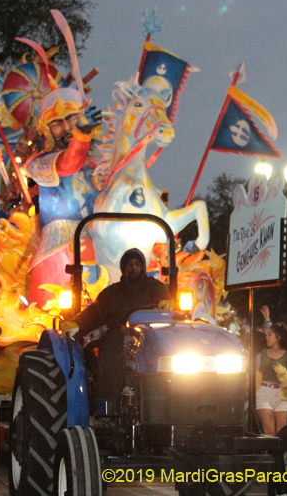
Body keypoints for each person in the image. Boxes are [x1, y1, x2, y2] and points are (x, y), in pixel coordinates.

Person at [26, 84, 103, 308]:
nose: (68, 127)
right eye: (57, 123)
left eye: (72, 118)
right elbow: (68, 165)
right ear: (46, 129)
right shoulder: (38, 162)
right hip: (59, 248)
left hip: (100, 242)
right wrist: (82, 133)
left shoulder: (101, 162)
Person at [62, 248, 169, 402]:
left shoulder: (156, 288)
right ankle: (109, 403)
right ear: (123, 268)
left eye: (137, 264)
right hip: (119, 336)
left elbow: (167, 302)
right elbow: (94, 312)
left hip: (150, 337)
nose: (133, 268)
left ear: (143, 266)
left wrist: (168, 303)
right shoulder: (111, 293)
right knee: (110, 355)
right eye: (129, 264)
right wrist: (76, 323)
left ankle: (162, 399)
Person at [255, 323, 287, 437]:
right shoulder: (263, 353)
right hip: (264, 392)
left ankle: (280, 449)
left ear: (278, 338)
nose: (266, 337)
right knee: (269, 432)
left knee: (281, 432)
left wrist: (282, 372)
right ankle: (269, 449)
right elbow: (255, 372)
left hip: (282, 394)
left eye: (269, 335)